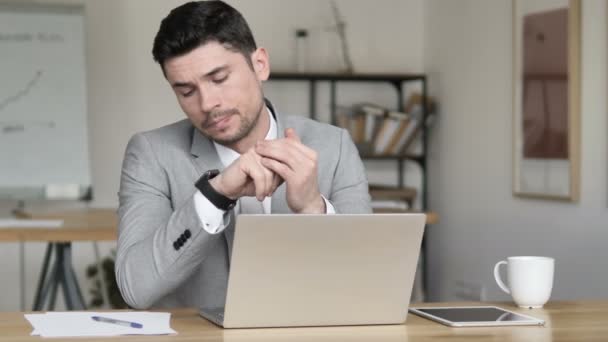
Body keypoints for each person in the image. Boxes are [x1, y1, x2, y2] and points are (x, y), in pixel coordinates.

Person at [116, 0, 371, 310]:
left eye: (219, 79)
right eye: (186, 91)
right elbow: (135, 287)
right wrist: (215, 194)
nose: (208, 102)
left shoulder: (334, 146)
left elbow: (364, 286)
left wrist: (312, 209)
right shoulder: (151, 154)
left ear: (260, 64)